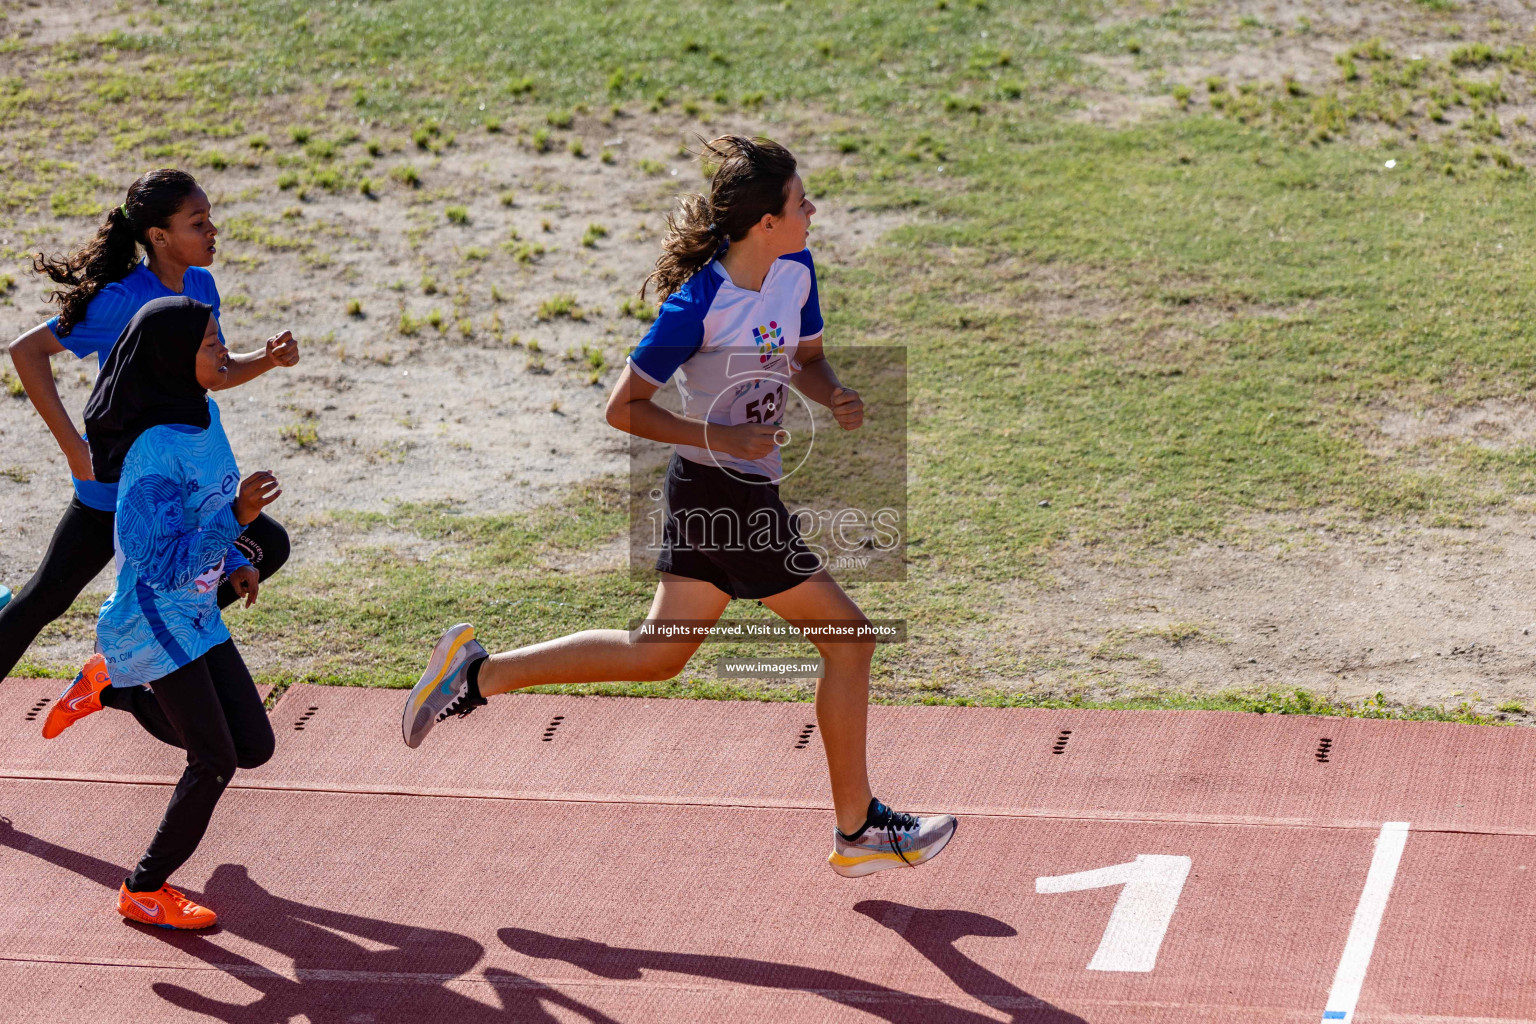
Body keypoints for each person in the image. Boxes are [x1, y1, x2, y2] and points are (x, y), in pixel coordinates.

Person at [400, 136, 956, 877]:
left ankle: (474, 675)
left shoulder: (796, 271)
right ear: (765, 221)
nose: (812, 209)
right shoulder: (696, 305)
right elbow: (622, 408)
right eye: (800, 201)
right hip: (722, 493)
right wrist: (721, 431)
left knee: (658, 654)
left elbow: (808, 360)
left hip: (721, 496)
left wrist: (834, 394)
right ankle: (857, 828)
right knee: (850, 641)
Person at [2, 168, 297, 682]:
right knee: (46, 599)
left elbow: (215, 372)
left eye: (210, 219)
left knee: (265, 546)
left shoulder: (201, 285)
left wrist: (266, 359)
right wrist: (74, 448)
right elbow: (26, 350)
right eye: (198, 222)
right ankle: (133, 649)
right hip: (116, 491)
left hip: (179, 486)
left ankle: (130, 657)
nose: (212, 231)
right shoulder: (119, 297)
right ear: (159, 236)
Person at [45, 296, 280, 929]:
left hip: (196, 611)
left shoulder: (203, 413)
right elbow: (166, 565)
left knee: (253, 746)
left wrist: (234, 558)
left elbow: (204, 511)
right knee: (214, 760)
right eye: (209, 343)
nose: (223, 349)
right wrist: (238, 520)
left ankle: (111, 692)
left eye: (218, 336)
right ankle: (143, 887)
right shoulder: (151, 458)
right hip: (151, 621)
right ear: (175, 358)